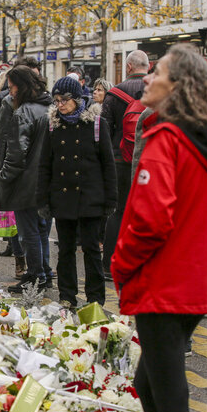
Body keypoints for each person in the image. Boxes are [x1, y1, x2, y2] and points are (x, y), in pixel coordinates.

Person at [111, 43, 207, 412]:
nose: (148, 80)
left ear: (176, 87)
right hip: (192, 281)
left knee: (169, 397)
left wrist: (121, 264)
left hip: (163, 284)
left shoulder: (165, 137)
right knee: (151, 385)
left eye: (156, 73)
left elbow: (149, 218)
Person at [37, 76, 117, 308]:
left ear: (78, 99)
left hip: (91, 197)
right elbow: (44, 165)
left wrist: (111, 199)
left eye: (65, 100)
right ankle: (67, 296)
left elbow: (108, 164)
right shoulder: (53, 126)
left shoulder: (95, 124)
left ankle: (95, 299)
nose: (60, 104)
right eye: (57, 100)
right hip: (63, 198)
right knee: (66, 249)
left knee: (92, 249)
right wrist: (42, 199)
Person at [0, 65, 53, 292]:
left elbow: (17, 153)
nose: (10, 93)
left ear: (21, 86)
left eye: (11, 87)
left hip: (27, 181)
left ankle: (36, 276)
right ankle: (44, 274)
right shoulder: (49, 107)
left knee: (29, 233)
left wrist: (4, 178)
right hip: (45, 179)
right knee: (41, 231)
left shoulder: (24, 112)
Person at [101, 49, 149, 279]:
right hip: (150, 163)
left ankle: (109, 264)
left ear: (128, 67)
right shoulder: (159, 91)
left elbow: (102, 129)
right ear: (147, 67)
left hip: (119, 160)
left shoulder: (115, 93)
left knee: (117, 212)